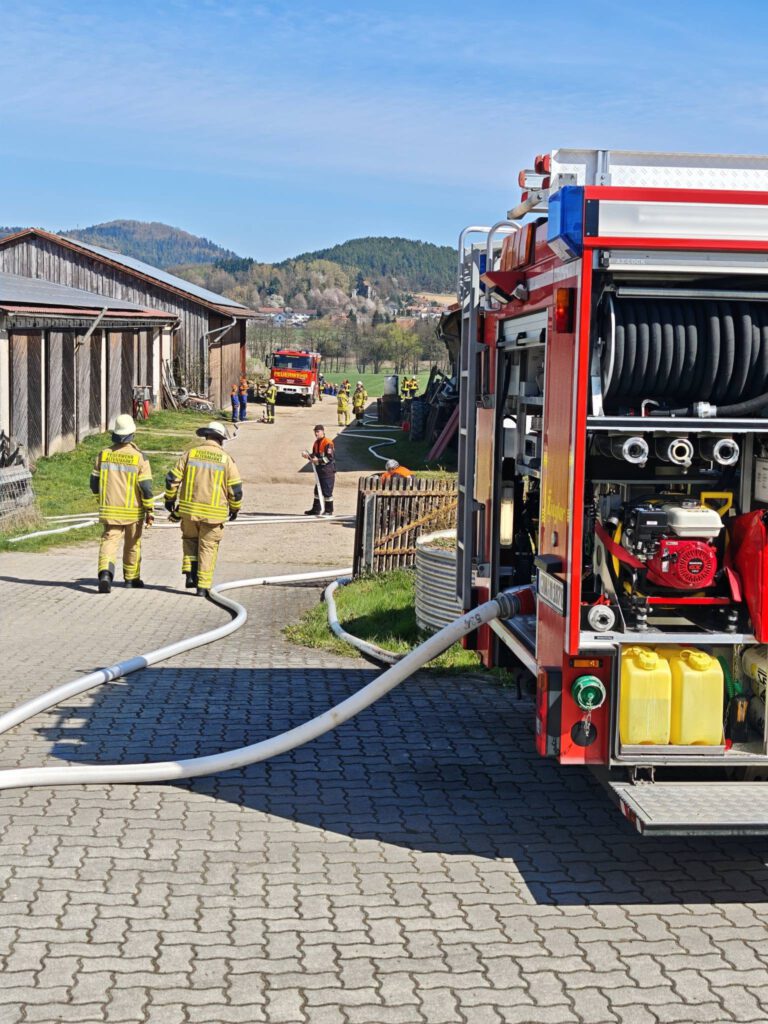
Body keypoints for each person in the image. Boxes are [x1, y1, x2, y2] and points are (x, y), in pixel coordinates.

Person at [164, 421, 242, 596]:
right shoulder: (226, 460)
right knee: (207, 548)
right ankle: (203, 587)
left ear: (206, 436)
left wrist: (170, 500)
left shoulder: (190, 454)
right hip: (214, 515)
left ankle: (190, 574)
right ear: (221, 439)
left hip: (189, 512)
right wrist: (235, 509)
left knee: (190, 540)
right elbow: (235, 490)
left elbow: (172, 479)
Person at [90, 413, 154, 593]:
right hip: (133, 511)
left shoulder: (103, 455)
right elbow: (146, 487)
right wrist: (149, 509)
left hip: (110, 510)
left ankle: (105, 575)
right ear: (132, 434)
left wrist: (99, 500)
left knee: (109, 542)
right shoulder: (140, 457)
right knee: (133, 543)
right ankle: (131, 579)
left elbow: (94, 483)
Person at [303, 424, 335, 516]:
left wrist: (319, 460)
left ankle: (329, 510)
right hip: (320, 470)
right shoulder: (316, 443)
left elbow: (330, 458)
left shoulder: (328, 442)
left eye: (318, 432)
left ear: (322, 432)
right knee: (317, 490)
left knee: (327, 491)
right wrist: (308, 456)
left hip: (327, 470)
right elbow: (315, 456)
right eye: (315, 432)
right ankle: (316, 509)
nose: (316, 434)